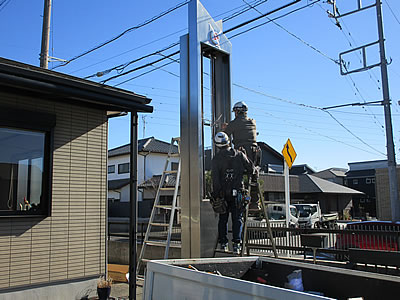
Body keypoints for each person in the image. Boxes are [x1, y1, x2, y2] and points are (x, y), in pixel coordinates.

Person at [211, 132, 254, 254]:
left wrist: (216, 195)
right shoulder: (239, 155)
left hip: (223, 194)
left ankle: (223, 243)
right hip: (238, 193)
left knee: (222, 219)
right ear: (228, 141)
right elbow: (251, 169)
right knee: (237, 219)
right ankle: (237, 245)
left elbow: (215, 179)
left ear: (217, 145)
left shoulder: (216, 159)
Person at [222, 101, 261, 210]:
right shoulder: (253, 122)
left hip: (242, 152)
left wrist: (224, 129)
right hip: (255, 153)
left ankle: (239, 199)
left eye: (235, 111)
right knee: (253, 175)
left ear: (238, 111)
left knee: (235, 175)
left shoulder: (235, 123)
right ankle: (255, 202)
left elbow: (224, 136)